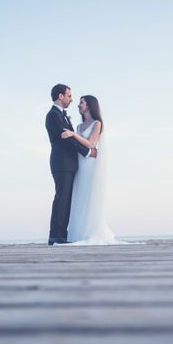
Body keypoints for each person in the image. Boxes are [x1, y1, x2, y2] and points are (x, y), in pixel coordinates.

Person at [60, 95, 117, 244]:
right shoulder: (79, 126)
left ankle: (90, 231)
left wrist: (72, 134)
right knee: (79, 196)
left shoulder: (97, 123)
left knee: (89, 196)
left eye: (82, 102)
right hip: (80, 164)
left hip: (90, 165)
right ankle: (78, 233)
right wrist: (74, 133)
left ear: (90, 106)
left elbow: (91, 143)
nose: (78, 105)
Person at [45, 84, 97, 245]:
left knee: (66, 200)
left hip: (68, 164)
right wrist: (87, 152)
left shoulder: (62, 115)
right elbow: (67, 139)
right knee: (62, 199)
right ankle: (56, 235)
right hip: (62, 163)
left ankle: (61, 235)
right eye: (68, 95)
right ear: (60, 96)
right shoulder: (53, 115)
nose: (71, 99)